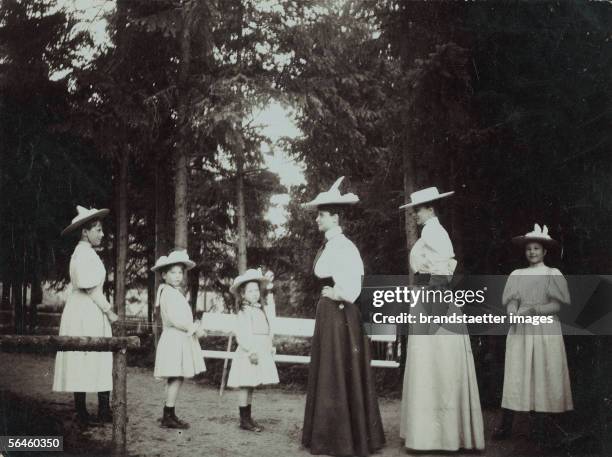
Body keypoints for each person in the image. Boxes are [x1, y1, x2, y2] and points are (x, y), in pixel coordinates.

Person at [301, 177, 385, 457]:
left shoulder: (343, 246)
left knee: (337, 370)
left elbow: (353, 282)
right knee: (330, 371)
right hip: (330, 314)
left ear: (335, 217)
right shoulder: (330, 245)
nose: (317, 220)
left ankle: (342, 437)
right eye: (317, 215)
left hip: (339, 315)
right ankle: (330, 434)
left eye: (321, 215)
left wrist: (340, 294)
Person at [399, 187, 485, 452]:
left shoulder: (435, 232)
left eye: (418, 210)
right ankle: (431, 434)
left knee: (438, 363)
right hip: (428, 297)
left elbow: (443, 270)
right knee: (432, 365)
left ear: (431, 209)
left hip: (434, 302)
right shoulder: (430, 232)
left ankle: (441, 436)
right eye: (413, 211)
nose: (414, 215)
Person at [493, 224, 573, 440]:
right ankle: (506, 424)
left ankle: (543, 425)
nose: (532, 252)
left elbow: (557, 305)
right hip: (521, 330)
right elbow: (512, 301)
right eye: (529, 249)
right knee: (517, 372)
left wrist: (534, 310)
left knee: (544, 370)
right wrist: (513, 313)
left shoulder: (552, 273)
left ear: (545, 251)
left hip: (545, 328)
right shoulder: (517, 274)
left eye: (537, 248)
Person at [53, 205, 119, 426]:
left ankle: (103, 409)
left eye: (101, 230)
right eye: (97, 230)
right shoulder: (82, 254)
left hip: (89, 309)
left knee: (98, 356)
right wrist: (109, 311)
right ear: (85, 232)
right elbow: (91, 288)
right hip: (85, 311)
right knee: (84, 355)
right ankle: (82, 411)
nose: (101, 234)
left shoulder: (88, 253)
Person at [152, 250, 206, 429]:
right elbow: (176, 319)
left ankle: (169, 413)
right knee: (176, 377)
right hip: (174, 338)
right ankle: (168, 414)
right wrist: (194, 329)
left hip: (177, 339)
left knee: (176, 377)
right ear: (164, 275)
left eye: (180, 273)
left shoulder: (172, 292)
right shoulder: (168, 293)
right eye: (172, 273)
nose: (177, 276)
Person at [227, 268, 279, 432]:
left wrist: (269, 346)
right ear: (242, 294)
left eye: (257, 290)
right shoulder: (244, 311)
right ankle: (243, 419)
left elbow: (268, 326)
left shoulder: (259, 309)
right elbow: (242, 335)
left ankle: (248, 417)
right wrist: (250, 351)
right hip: (248, 353)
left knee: (251, 384)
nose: (255, 293)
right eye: (250, 291)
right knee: (245, 384)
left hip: (259, 350)